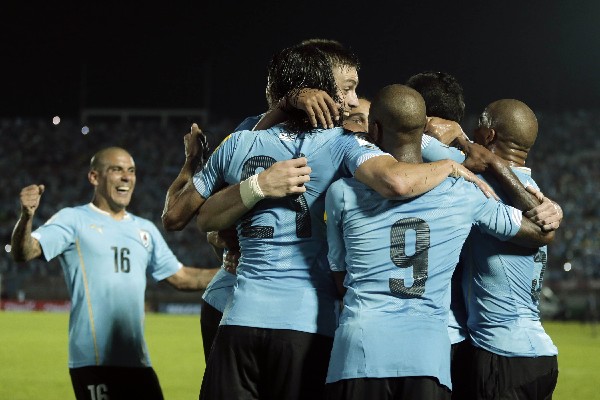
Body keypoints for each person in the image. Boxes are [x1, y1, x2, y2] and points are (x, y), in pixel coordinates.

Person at [164, 40, 491, 400]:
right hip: (302, 320)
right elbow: (397, 177)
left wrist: (251, 186)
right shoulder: (346, 143)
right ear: (322, 90)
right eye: (347, 88)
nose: (353, 100)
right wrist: (451, 158)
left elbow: (199, 219)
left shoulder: (243, 138)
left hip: (241, 316)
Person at [323, 84, 554, 400]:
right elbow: (538, 231)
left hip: (359, 351)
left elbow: (339, 279)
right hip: (429, 357)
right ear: (424, 133)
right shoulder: (465, 194)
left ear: (374, 129)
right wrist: (551, 210)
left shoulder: (341, 192)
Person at [11, 147, 218, 400]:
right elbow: (25, 252)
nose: (126, 177)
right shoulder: (73, 219)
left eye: (131, 171)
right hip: (94, 362)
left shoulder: (145, 229)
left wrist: (232, 271)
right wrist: (26, 217)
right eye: (116, 170)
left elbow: (182, 277)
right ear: (94, 177)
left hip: (138, 362)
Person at [461, 99, 559, 399]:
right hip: (543, 356)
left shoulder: (479, 188)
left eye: (477, 129)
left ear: (488, 136)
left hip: (501, 353)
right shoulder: (538, 196)